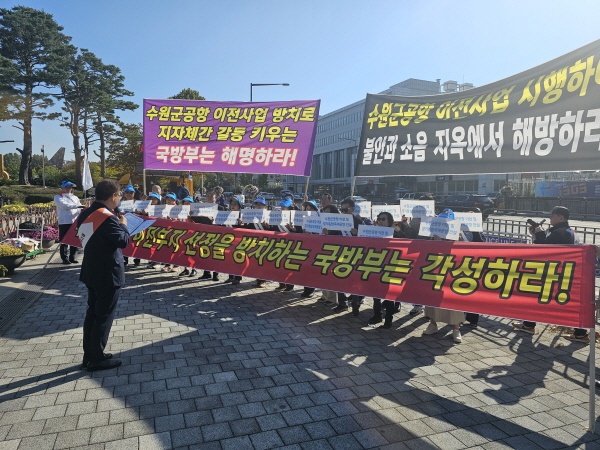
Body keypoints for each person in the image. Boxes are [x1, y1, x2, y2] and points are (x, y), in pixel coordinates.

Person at [77, 179, 129, 371]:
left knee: (92, 314)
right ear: (113, 196)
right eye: (120, 195)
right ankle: (96, 358)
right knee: (103, 316)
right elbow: (122, 241)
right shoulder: (107, 217)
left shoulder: (86, 212)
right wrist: (123, 224)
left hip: (92, 270)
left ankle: (90, 354)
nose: (120, 198)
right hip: (107, 274)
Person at [512, 206, 586, 340]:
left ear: (561, 218)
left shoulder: (560, 232)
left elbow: (544, 249)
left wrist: (539, 233)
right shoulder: (568, 231)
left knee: (540, 298)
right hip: (563, 273)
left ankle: (529, 325)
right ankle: (580, 332)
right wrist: (537, 233)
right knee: (564, 302)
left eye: (553, 215)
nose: (550, 217)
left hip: (555, 273)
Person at [55, 180, 83, 265]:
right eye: (67, 187)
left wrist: (81, 210)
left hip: (74, 221)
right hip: (64, 221)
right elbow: (64, 206)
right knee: (64, 240)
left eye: (70, 187)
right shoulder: (58, 196)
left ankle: (72, 256)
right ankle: (64, 257)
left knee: (74, 239)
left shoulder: (75, 197)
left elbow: (79, 206)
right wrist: (76, 206)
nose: (68, 189)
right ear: (62, 188)